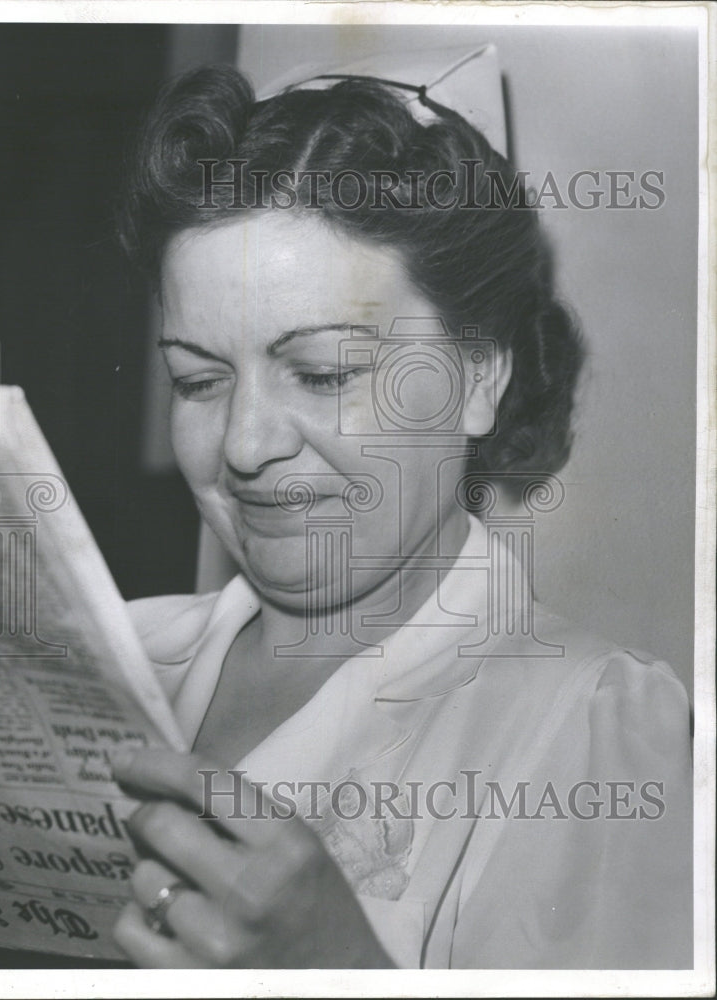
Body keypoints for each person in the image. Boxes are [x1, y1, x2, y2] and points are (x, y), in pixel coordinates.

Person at [108, 65, 692, 969]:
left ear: (477, 380)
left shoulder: (593, 729)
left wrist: (340, 966)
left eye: (325, 372)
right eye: (198, 379)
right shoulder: (115, 658)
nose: (245, 445)